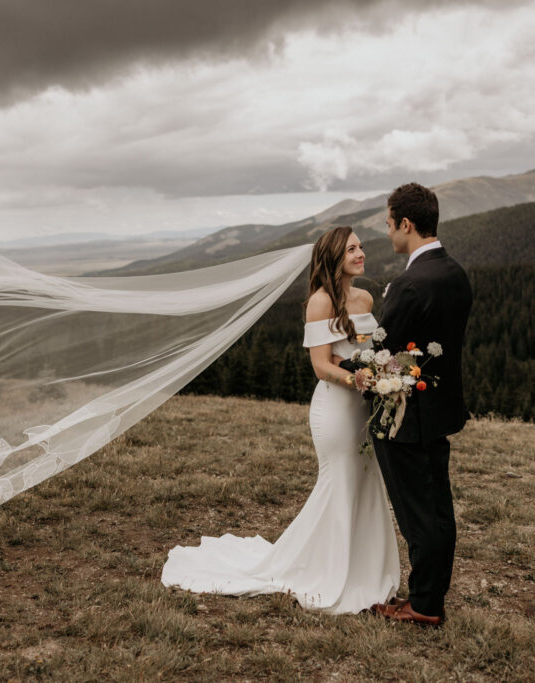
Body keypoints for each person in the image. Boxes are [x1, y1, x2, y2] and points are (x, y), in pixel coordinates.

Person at [160, 226, 400, 613]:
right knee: (339, 482)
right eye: (352, 249)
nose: (361, 254)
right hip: (338, 408)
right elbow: (322, 367)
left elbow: (365, 351)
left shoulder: (366, 297)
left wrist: (382, 375)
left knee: (367, 483)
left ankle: (366, 572)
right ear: (334, 257)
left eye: (361, 247)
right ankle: (325, 570)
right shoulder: (320, 302)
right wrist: (362, 379)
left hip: (365, 407)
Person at [344, 182, 472, 627]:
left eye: (388, 224)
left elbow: (383, 348)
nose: (387, 233)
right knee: (439, 508)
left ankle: (422, 605)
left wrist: (339, 362)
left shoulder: (410, 283)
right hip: (441, 411)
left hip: (405, 418)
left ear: (406, 223)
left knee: (418, 513)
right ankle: (431, 598)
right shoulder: (454, 272)